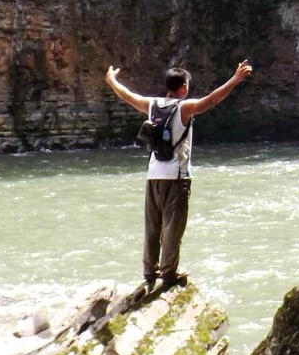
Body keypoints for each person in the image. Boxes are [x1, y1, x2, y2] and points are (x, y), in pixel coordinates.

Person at [104, 59, 253, 289]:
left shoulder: (151, 105)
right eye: (187, 85)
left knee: (152, 225)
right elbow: (212, 99)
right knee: (172, 227)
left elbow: (126, 95)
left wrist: (111, 79)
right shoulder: (184, 108)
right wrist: (235, 79)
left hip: (153, 175)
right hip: (176, 178)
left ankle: (149, 272)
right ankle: (169, 273)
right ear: (183, 86)